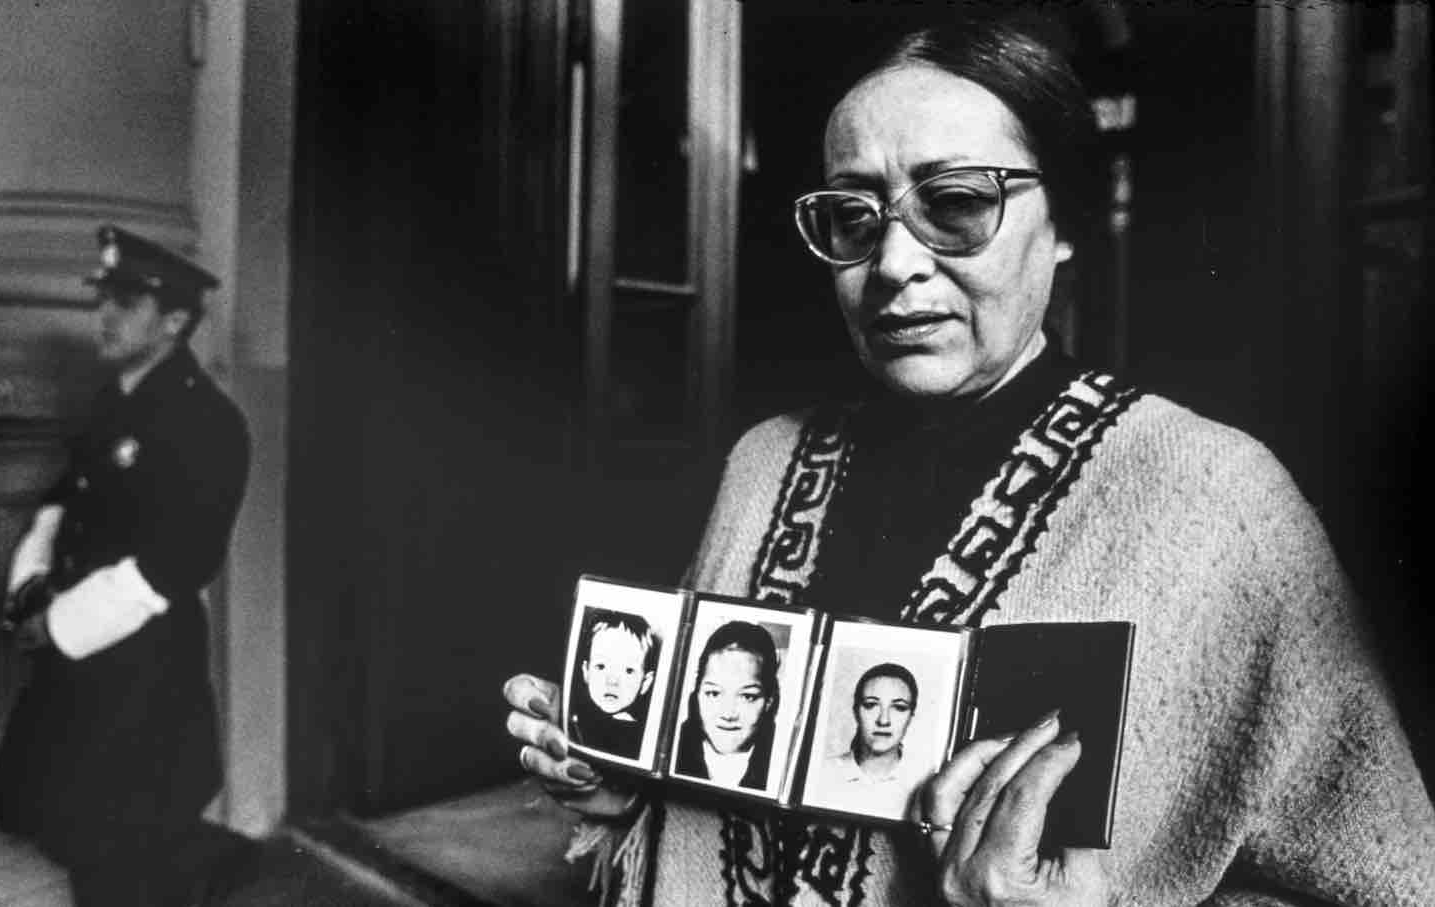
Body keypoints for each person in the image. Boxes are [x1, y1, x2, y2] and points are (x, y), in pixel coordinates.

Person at [504, 15, 1435, 907]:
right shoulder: (761, 466)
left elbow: (1386, 883)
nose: (896, 263)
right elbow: (713, 801)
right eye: (853, 217)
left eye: (954, 204)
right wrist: (627, 794)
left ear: (1063, 224)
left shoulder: (1217, 500)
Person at [0, 225, 254, 906]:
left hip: (143, 680)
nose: (104, 314)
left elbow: (174, 564)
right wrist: (27, 590)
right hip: (75, 672)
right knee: (75, 844)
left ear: (175, 320)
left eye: (128, 301)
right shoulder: (112, 402)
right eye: (103, 296)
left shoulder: (209, 423)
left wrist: (54, 625)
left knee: (127, 867)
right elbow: (60, 503)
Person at [671, 621, 779, 792]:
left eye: (747, 696)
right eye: (714, 694)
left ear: (769, 701)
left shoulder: (780, 765)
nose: (728, 714)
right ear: (697, 693)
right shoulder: (671, 750)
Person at [809, 663, 924, 819]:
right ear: (856, 711)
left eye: (899, 707)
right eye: (871, 705)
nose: (884, 720)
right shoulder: (820, 774)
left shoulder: (924, 783)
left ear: (911, 717)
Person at [571, 611, 659, 759]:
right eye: (601, 666)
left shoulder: (643, 737)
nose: (612, 681)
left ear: (646, 683)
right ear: (586, 671)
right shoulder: (573, 720)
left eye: (628, 671)